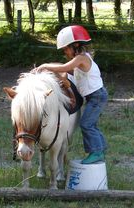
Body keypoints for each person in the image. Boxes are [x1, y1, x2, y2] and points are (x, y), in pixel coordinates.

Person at [35, 25, 108, 164]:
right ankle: (101, 148)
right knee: (91, 124)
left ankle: (96, 152)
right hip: (95, 96)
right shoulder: (81, 60)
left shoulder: (81, 58)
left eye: (66, 49)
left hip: (96, 96)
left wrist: (45, 66)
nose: (65, 53)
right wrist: (60, 77)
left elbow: (65, 67)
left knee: (86, 124)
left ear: (75, 45)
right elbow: (68, 72)